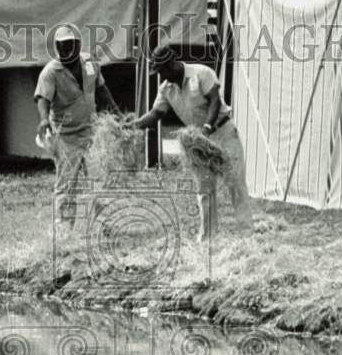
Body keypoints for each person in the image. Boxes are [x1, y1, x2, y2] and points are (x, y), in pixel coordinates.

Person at [131, 44, 251, 241]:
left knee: (235, 182)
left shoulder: (201, 73)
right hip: (197, 142)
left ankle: (247, 234)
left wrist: (207, 128)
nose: (162, 76)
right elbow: (155, 114)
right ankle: (208, 237)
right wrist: (133, 125)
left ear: (172, 64)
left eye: (162, 71)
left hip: (222, 132)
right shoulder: (166, 89)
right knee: (204, 187)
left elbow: (215, 101)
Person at [34, 25, 119, 227]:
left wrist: (115, 110)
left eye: (69, 45)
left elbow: (101, 88)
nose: (65, 50)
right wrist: (44, 119)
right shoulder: (51, 72)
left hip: (91, 130)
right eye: (61, 46)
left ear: (78, 44)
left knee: (99, 178)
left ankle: (104, 224)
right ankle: (64, 227)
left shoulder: (90, 62)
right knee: (67, 183)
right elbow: (42, 98)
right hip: (65, 136)